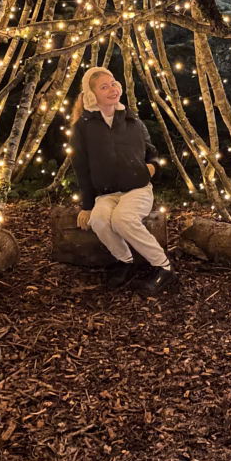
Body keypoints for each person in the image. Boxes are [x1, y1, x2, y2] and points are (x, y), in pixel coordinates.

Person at [70, 66, 176, 296]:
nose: (112, 89)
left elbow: (151, 151)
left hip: (137, 189)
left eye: (114, 83)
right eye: (104, 86)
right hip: (106, 193)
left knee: (123, 219)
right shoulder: (83, 127)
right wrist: (87, 206)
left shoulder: (132, 121)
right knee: (99, 220)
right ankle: (125, 260)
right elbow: (80, 167)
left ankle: (164, 266)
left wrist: (154, 167)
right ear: (92, 95)